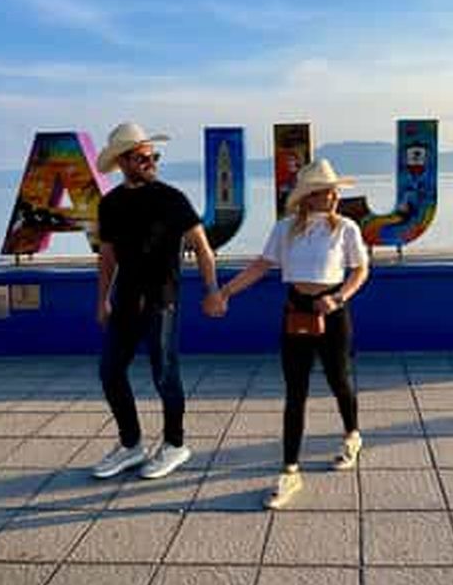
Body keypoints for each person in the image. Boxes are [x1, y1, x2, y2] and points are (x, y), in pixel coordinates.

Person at [208, 158, 369, 509]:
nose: (332, 195)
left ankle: (352, 435)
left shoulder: (345, 228)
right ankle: (290, 469)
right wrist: (225, 292)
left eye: (334, 190)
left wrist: (339, 297)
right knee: (295, 392)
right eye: (325, 191)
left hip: (333, 310)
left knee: (339, 379)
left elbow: (360, 270)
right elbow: (260, 266)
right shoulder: (284, 229)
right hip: (296, 311)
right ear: (308, 197)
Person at [92, 121, 224, 480]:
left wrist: (212, 291)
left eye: (154, 155)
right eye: (142, 157)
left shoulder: (171, 199)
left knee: (164, 374)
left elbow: (203, 249)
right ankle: (131, 445)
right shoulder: (111, 204)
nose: (151, 161)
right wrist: (102, 299)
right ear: (123, 162)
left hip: (161, 301)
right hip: (125, 301)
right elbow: (107, 257)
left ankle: (175, 445)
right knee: (109, 371)